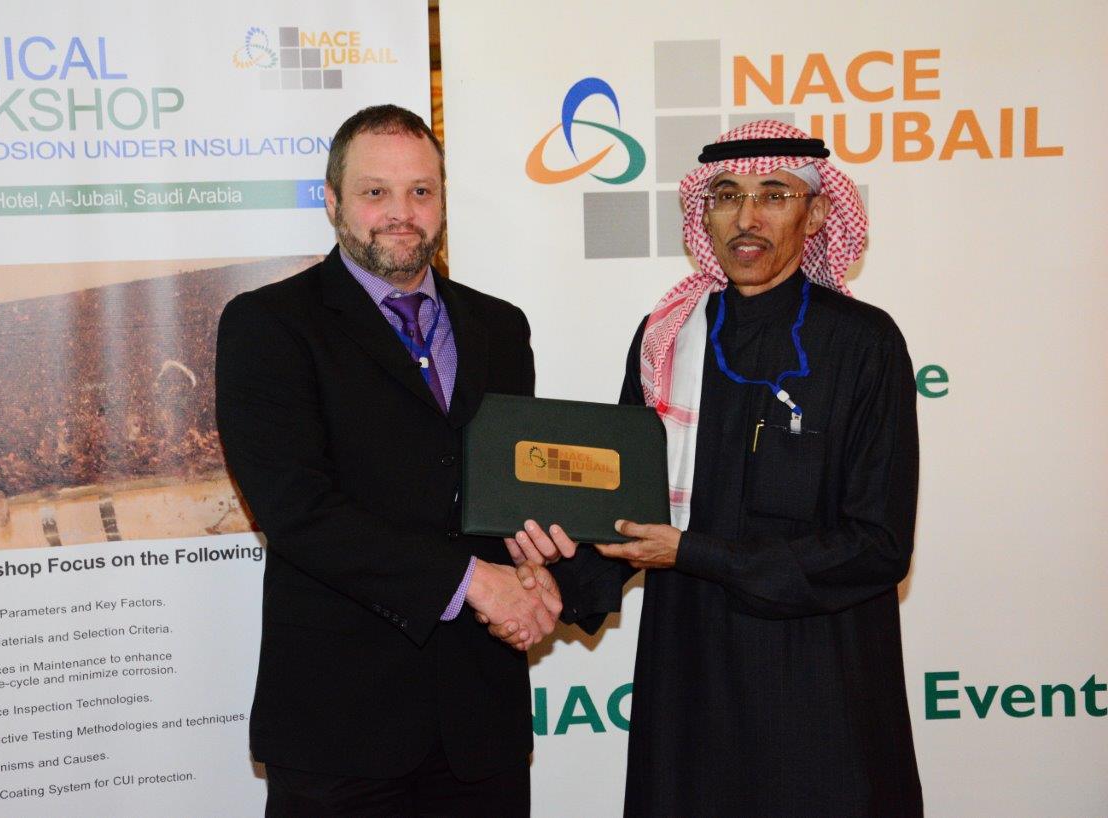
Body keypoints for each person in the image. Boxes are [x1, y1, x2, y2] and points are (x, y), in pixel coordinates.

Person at [505, 120, 923, 816]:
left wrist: (694, 552)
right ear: (704, 214)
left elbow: (877, 546)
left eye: (774, 195)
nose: (746, 218)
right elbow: (625, 510)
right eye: (727, 196)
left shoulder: (863, 343)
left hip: (818, 683)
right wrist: (551, 587)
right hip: (690, 676)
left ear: (819, 212)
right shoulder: (669, 337)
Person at [215, 105, 558, 817]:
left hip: (481, 724)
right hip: (341, 729)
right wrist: (474, 583)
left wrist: (543, 578)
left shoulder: (500, 326)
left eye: (421, 191)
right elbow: (298, 511)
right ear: (333, 201)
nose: (402, 212)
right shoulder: (269, 325)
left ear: (443, 200)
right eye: (376, 192)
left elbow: (510, 489)